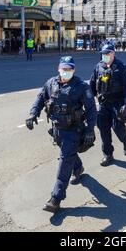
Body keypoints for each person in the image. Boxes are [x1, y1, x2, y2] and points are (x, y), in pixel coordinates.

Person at [25, 56, 97, 214]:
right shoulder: (51, 83)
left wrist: (90, 129)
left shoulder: (81, 86)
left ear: (74, 70)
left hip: (73, 130)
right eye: (64, 69)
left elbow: (91, 109)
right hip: (57, 130)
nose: (66, 72)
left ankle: (56, 199)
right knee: (68, 156)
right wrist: (32, 114)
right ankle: (78, 168)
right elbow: (40, 98)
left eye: (69, 69)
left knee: (64, 162)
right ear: (58, 68)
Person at [90, 43, 126, 167]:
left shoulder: (121, 67)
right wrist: (86, 101)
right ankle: (108, 154)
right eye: (103, 53)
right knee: (103, 130)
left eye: (108, 53)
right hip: (103, 103)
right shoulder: (98, 67)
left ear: (113, 53)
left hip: (117, 103)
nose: (105, 55)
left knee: (118, 128)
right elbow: (92, 84)